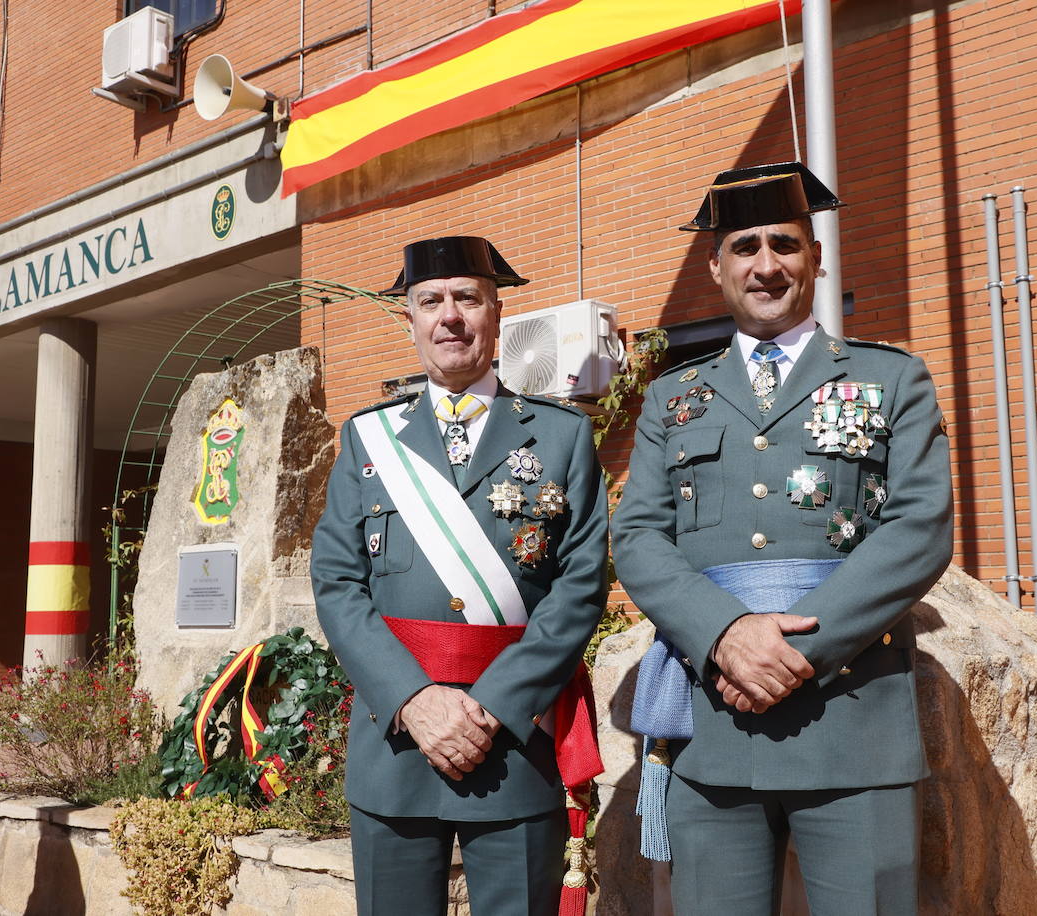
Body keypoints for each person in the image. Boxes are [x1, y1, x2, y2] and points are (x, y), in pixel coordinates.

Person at [612, 164, 953, 915]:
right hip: (714, 724)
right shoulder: (674, 397)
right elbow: (637, 535)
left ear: (816, 258)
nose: (766, 265)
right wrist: (725, 636)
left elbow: (920, 530)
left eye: (784, 245)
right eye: (744, 248)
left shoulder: (889, 379)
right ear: (716, 268)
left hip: (851, 718)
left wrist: (798, 649)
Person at [311, 236, 607, 916]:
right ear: (410, 319)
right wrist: (414, 701)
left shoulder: (561, 438)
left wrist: (495, 705)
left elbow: (580, 584)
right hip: (396, 745)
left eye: (467, 299)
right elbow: (336, 584)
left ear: (497, 314)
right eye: (431, 302)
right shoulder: (368, 439)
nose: (450, 316)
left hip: (512, 742)